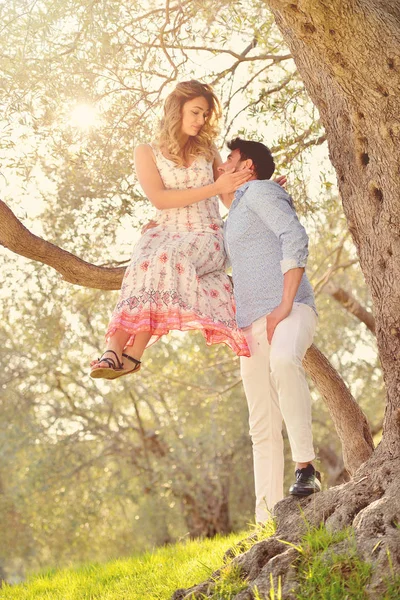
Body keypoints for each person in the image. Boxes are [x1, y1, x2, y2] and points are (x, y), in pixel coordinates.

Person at [90, 81, 253, 379]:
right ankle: (115, 349)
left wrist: (257, 190)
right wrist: (214, 186)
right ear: (175, 110)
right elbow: (160, 199)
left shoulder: (209, 150)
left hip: (206, 235)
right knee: (147, 259)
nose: (200, 120)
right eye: (195, 112)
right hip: (163, 230)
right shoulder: (146, 152)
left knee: (165, 258)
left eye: (204, 114)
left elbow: (228, 199)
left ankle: (130, 352)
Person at [219, 137, 321, 523]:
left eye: (229, 159)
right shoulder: (234, 217)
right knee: (260, 422)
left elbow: (294, 237)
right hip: (249, 326)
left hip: (290, 309)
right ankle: (266, 519)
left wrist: (283, 305)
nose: (222, 165)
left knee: (283, 360)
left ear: (247, 166)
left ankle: (306, 468)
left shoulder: (260, 191)